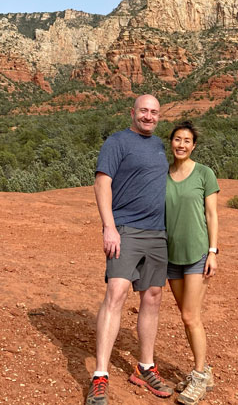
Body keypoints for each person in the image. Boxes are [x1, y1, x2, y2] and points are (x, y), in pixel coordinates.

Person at [86, 94, 173, 405]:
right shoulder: (117, 142)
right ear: (133, 113)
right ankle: (100, 374)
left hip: (157, 233)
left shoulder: (162, 146)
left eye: (153, 112)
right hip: (125, 230)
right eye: (143, 111)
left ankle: (145, 367)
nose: (148, 116)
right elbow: (102, 183)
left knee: (152, 296)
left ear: (158, 116)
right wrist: (109, 227)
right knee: (117, 293)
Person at [165, 121, 219, 405]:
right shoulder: (163, 174)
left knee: (190, 316)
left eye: (187, 140)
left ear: (193, 145)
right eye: (177, 139)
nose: (181, 144)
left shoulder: (204, 174)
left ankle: (200, 374)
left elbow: (211, 215)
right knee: (187, 316)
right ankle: (204, 371)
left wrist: (213, 251)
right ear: (171, 142)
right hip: (170, 256)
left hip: (197, 254)